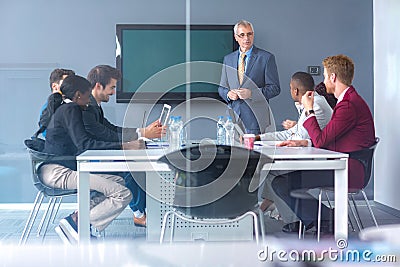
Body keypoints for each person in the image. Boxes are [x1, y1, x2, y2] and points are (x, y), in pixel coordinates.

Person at [271, 54, 376, 233]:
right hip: (345, 164)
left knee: (282, 183)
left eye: (326, 76)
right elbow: (328, 138)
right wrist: (305, 142)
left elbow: (321, 141)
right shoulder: (348, 101)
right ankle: (322, 218)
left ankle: (326, 219)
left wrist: (309, 109)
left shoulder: (348, 105)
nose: (324, 81)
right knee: (284, 182)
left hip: (348, 170)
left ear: (333, 77)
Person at [39, 75, 142, 243]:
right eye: (88, 96)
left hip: (58, 169)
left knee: (119, 181)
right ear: (78, 95)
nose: (89, 101)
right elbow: (85, 144)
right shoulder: (71, 109)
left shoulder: (67, 108)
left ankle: (76, 220)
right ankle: (77, 225)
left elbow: (84, 143)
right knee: (122, 194)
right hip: (58, 172)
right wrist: (124, 146)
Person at [83, 65, 165, 227]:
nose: (113, 92)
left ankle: (144, 212)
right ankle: (139, 214)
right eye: (112, 87)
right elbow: (106, 135)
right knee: (132, 170)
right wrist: (136, 138)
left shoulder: (95, 106)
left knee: (138, 166)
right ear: (98, 86)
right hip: (92, 161)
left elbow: (111, 129)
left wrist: (142, 132)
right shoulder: (87, 108)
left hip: (100, 155)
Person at [256, 72, 333, 222]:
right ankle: (272, 209)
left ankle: (293, 220)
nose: (290, 90)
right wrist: (260, 137)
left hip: (317, 160)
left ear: (295, 90)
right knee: (272, 171)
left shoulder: (315, 105)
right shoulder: (312, 101)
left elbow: (299, 138)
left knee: (273, 173)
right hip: (308, 155)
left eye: (291, 88)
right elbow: (293, 133)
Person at [218, 19, 280, 134]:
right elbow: (221, 88)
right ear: (236, 37)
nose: (246, 38)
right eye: (242, 35)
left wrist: (252, 94)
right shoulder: (228, 59)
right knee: (232, 151)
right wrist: (228, 94)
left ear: (253, 35)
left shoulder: (266, 58)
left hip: (256, 120)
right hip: (232, 120)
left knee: (253, 152)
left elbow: (275, 88)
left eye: (249, 34)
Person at [37, 68, 75, 137]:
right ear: (54, 86)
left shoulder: (71, 105)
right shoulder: (49, 108)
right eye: (66, 83)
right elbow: (48, 134)